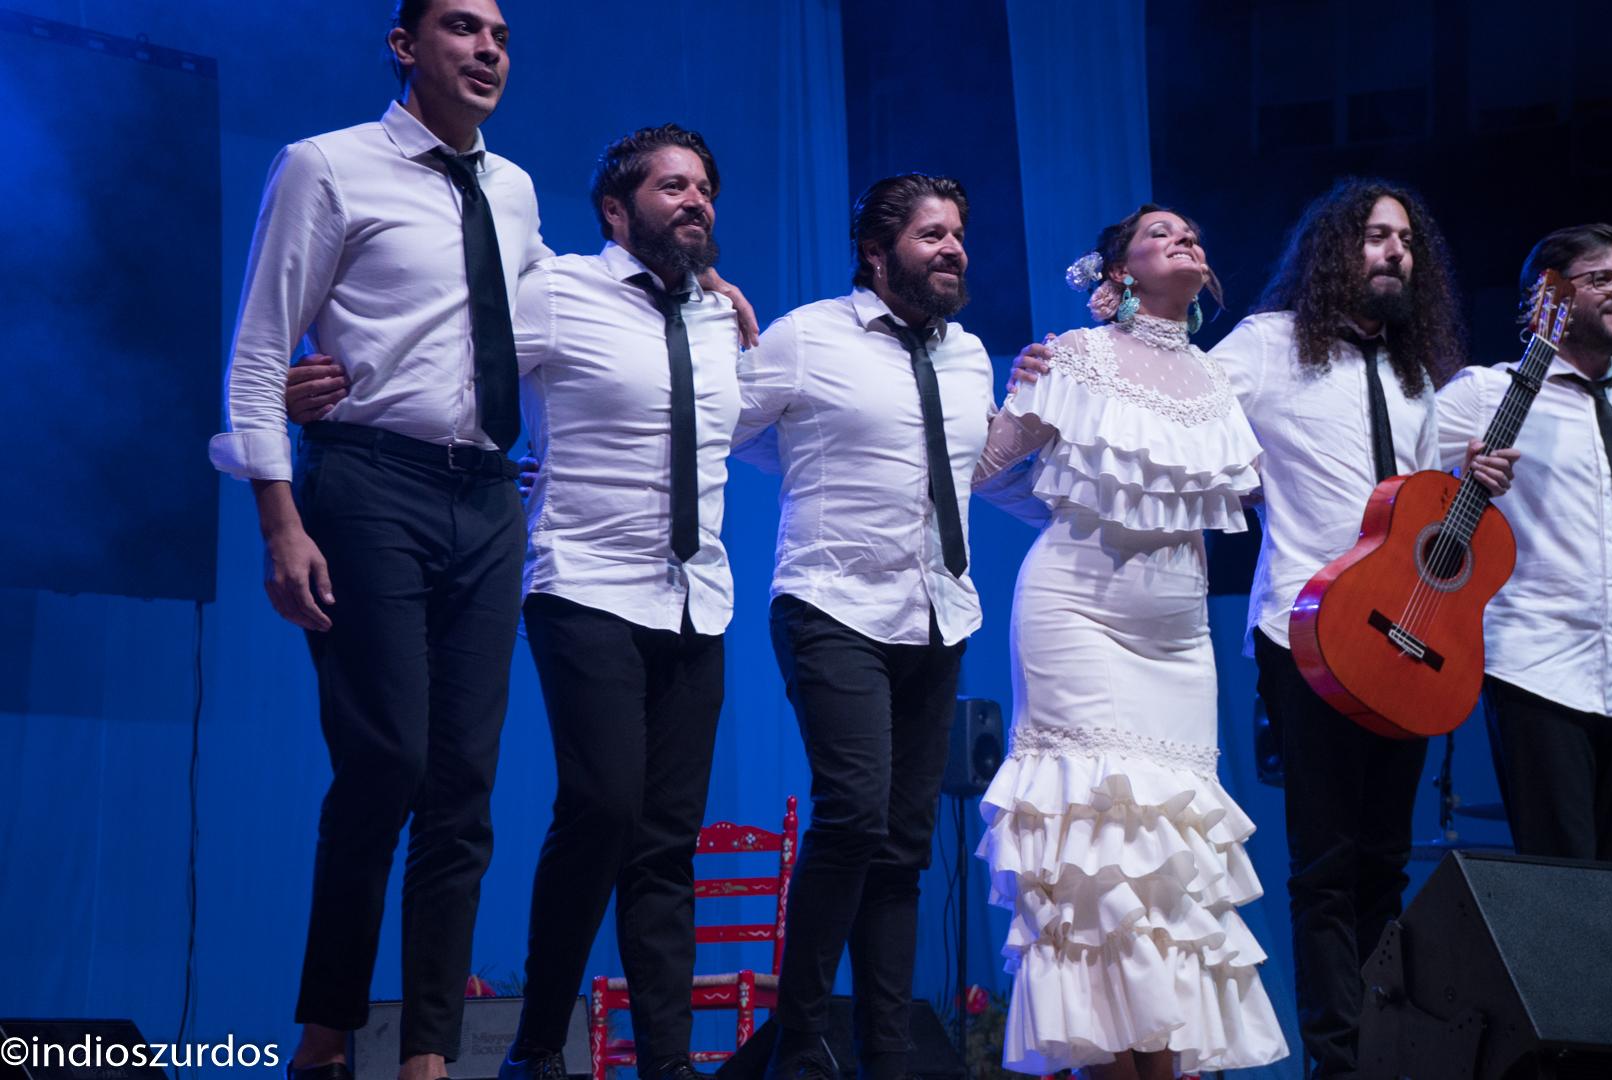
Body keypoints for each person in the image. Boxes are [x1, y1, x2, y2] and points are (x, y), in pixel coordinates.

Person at [1011, 178, 1514, 1080]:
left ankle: (1386, 1051)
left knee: (1386, 863)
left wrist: (1469, 474)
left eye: (1404, 240)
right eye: (1371, 237)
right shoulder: (1264, 348)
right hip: (1309, 632)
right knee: (1324, 865)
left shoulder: (1415, 375)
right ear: (1331, 252)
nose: (1392, 252)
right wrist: (1089, 361)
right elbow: (1164, 396)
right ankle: (1334, 1060)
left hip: (1405, 638)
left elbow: (1424, 500)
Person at [210, 4, 543, 1079]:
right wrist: (278, 521)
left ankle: (430, 1053)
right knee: (385, 760)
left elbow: (549, 317)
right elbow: (262, 349)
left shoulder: (515, 188)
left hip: (490, 496)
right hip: (368, 486)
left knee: (464, 785)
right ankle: (326, 1029)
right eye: (460, 26)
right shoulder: (328, 166)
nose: (487, 46)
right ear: (403, 45)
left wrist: (692, 297)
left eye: (499, 30)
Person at [973, 205, 1288, 1079]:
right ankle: (1107, 1066)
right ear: (1117, 274)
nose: (1184, 236)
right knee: (1097, 855)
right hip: (1075, 613)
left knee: (1173, 868)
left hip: (1179, 637)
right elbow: (984, 464)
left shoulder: (1220, 386)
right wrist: (1001, 385)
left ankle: (1169, 1065)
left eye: (1192, 230)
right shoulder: (1073, 357)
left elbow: (1273, 498)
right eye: (1158, 233)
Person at [731, 174, 995, 1080]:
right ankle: (799, 1043)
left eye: (957, 234)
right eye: (931, 235)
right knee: (852, 812)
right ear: (877, 255)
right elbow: (726, 427)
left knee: (903, 844)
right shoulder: (808, 337)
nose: (953, 249)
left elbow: (974, 466)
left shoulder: (969, 357)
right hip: (832, 603)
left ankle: (886, 1053)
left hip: (937, 613)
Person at [495, 124, 740, 1080]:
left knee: (665, 843)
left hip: (694, 598)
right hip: (586, 584)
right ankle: (537, 1047)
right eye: (673, 186)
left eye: (705, 188)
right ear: (615, 209)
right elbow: (458, 369)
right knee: (599, 805)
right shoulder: (557, 290)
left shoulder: (722, 319)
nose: (695, 200)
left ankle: (666, 1066)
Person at [1435, 224, 1612, 863]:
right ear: (1552, 294)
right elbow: (1404, 496)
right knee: (1563, 877)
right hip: (1533, 663)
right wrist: (1464, 478)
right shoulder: (1483, 393)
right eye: (1603, 278)